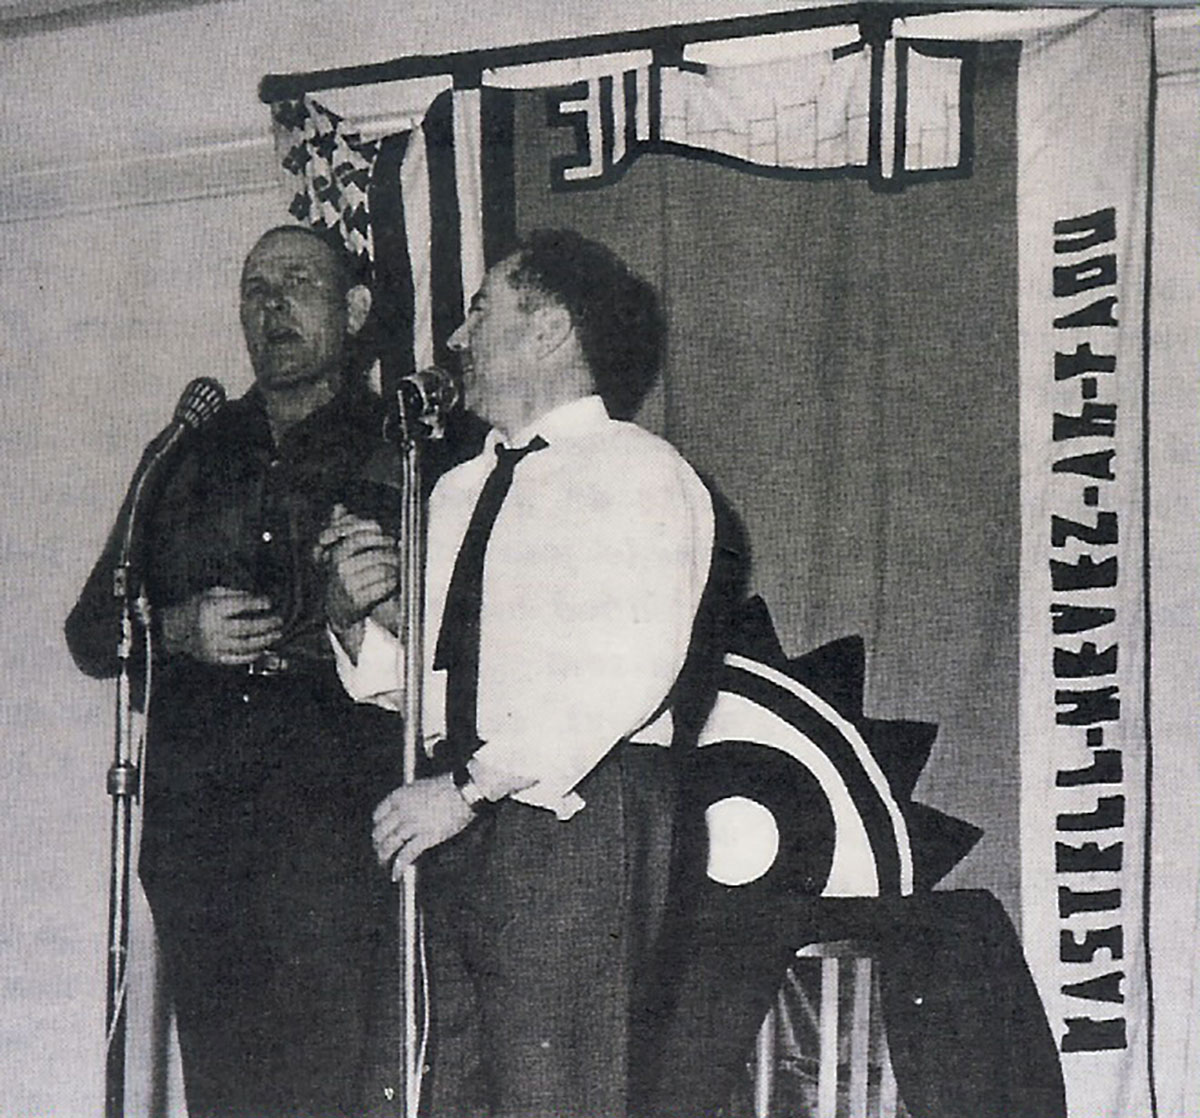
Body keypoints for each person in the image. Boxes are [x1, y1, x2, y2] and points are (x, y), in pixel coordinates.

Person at [323, 228, 715, 1118]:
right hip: (457, 812)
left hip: (573, 817)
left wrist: (467, 789)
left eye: (479, 311)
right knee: (422, 1087)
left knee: (554, 1093)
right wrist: (353, 619)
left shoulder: (639, 472)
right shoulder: (455, 489)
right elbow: (435, 684)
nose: (455, 339)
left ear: (549, 329)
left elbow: (627, 670)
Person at [65, 225, 410, 1118]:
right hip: (199, 827)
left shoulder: (408, 446)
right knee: (224, 1091)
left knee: (333, 1084)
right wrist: (174, 630)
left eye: (298, 282)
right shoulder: (184, 453)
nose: (272, 304)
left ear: (355, 310)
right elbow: (92, 632)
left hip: (336, 821)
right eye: (255, 287)